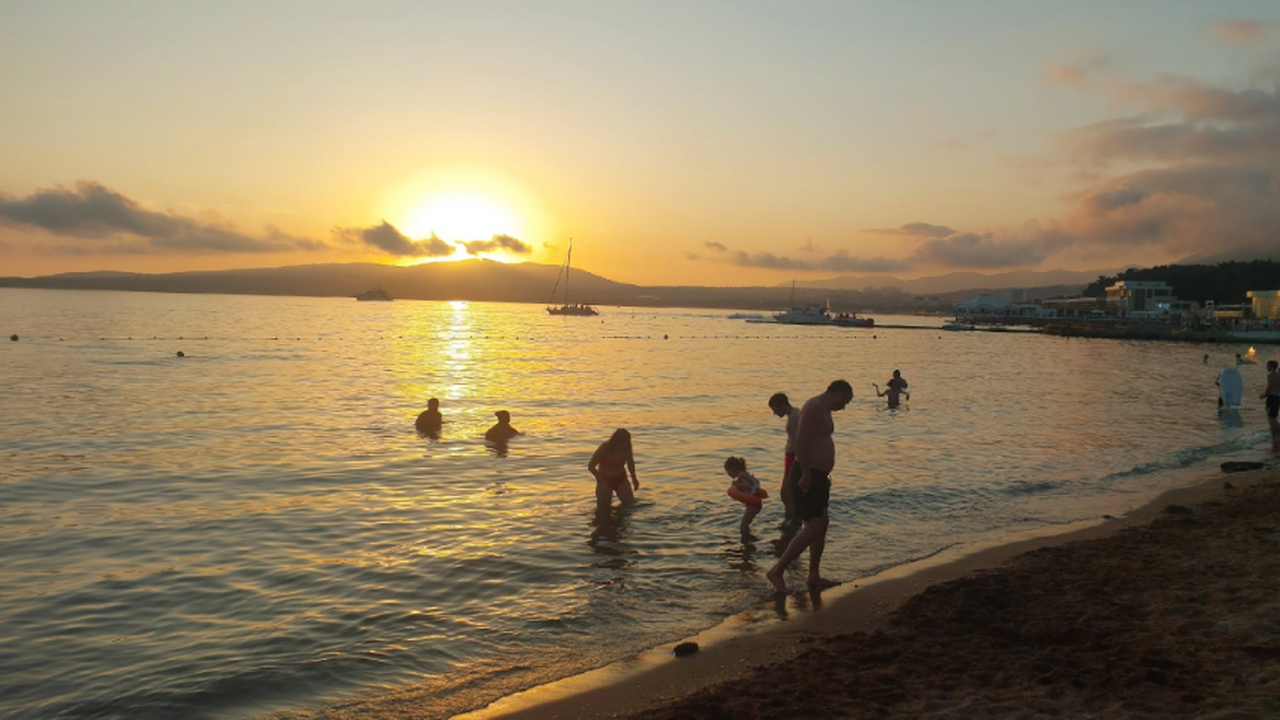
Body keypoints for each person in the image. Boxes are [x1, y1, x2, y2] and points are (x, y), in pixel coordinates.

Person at [766, 379, 854, 595]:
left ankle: (813, 575)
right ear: (839, 393)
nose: (844, 407)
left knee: (822, 524)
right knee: (814, 526)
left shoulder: (823, 409)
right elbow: (801, 442)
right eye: (845, 401)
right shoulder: (815, 407)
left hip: (818, 474)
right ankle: (777, 570)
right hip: (809, 473)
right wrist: (806, 473)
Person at [589, 428, 639, 512]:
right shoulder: (605, 448)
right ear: (616, 442)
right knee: (603, 509)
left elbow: (630, 463)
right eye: (622, 444)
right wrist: (601, 480)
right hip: (604, 480)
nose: (624, 446)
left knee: (629, 505)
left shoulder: (627, 448)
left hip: (621, 478)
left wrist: (634, 479)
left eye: (627, 443)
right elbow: (591, 466)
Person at [767, 392, 799, 521]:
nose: (774, 413)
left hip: (793, 456)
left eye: (774, 409)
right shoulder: (792, 415)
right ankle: (790, 517)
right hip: (790, 456)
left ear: (781, 405)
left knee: (789, 493)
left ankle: (794, 519)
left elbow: (800, 439)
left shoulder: (795, 416)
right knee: (785, 493)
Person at [724, 456, 767, 535]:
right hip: (754, 503)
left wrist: (737, 485)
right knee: (745, 523)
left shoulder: (742, 477)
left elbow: (748, 486)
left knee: (743, 525)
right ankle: (748, 537)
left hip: (753, 504)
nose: (729, 475)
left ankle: (746, 539)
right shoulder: (745, 475)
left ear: (734, 469)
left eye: (729, 473)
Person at [1262, 360, 1280, 446]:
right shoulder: (1279, 375)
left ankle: (1275, 437)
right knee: (1274, 417)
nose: (1267, 367)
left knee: (1271, 418)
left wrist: (1263, 395)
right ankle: (1277, 436)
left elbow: (1269, 388)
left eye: (1267, 365)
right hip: (1277, 397)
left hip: (1272, 398)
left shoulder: (1270, 376)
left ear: (1271, 366)